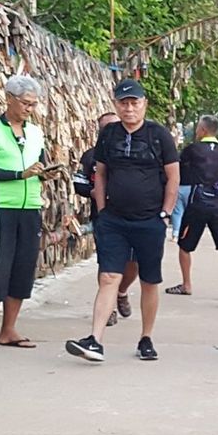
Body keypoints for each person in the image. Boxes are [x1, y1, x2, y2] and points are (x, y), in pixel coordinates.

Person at [66, 79, 179, 363]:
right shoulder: (109, 135)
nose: (129, 108)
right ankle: (95, 340)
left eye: (134, 103)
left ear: (144, 104)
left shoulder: (159, 135)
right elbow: (100, 173)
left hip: (149, 220)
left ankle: (146, 338)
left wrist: (165, 213)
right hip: (114, 220)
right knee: (108, 277)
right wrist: (102, 210)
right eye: (123, 103)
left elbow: (173, 177)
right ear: (116, 105)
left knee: (149, 280)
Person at [0, 74, 58, 354]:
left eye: (33, 104)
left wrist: (45, 173)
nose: (29, 109)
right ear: (9, 99)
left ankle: (9, 329)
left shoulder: (35, 133)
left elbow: (39, 165)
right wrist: (19, 174)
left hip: (30, 207)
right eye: (25, 103)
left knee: (23, 269)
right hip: (0, 208)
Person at [74, 109, 138, 328]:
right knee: (108, 264)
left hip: (133, 216)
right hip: (104, 217)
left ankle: (121, 292)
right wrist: (94, 192)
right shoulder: (90, 156)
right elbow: (79, 182)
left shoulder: (134, 151)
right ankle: (108, 308)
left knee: (133, 262)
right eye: (106, 127)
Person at [167, 115, 218, 297]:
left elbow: (178, 171)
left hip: (198, 203)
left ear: (202, 130)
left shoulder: (192, 150)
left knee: (185, 245)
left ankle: (186, 284)